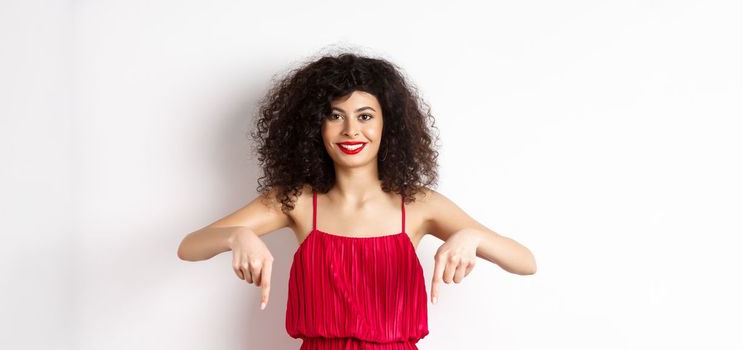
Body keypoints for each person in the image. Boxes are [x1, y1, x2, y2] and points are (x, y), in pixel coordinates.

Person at [177, 50, 537, 349]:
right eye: (335, 116)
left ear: (387, 126)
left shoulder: (419, 205)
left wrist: (473, 237)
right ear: (315, 127)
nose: (351, 130)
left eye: (365, 116)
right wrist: (236, 236)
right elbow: (189, 246)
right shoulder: (298, 202)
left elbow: (525, 262)